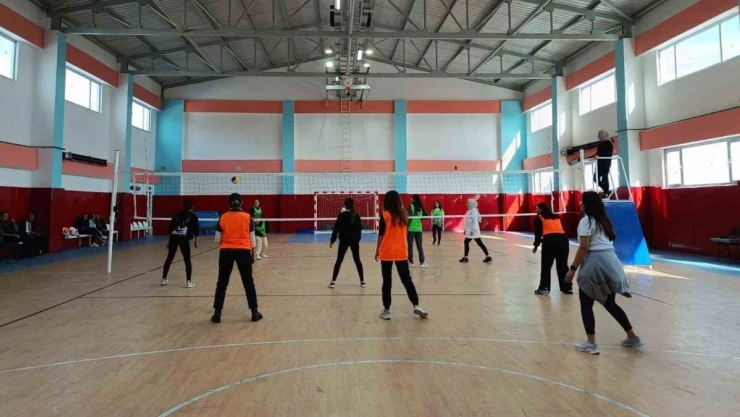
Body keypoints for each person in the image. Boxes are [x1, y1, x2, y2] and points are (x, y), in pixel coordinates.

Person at [565, 191, 643, 355]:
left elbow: (583, 248)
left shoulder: (586, 221)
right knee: (609, 303)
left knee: (586, 304)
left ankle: (591, 344)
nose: (580, 204)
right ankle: (632, 337)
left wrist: (572, 269)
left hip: (595, 262)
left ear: (587, 204)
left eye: (582, 201)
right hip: (612, 262)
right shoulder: (604, 220)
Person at [375, 191, 428, 320]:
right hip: (401, 252)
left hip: (387, 251)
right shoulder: (404, 215)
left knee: (387, 281)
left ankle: (386, 310)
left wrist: (377, 250)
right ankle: (416, 305)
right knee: (407, 280)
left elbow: (381, 234)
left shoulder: (384, 214)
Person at [211, 193, 263, 324]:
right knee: (248, 282)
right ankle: (255, 312)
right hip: (243, 251)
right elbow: (252, 241)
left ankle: (217, 314)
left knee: (222, 283)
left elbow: (217, 239)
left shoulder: (223, 217)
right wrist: (252, 254)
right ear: (242, 203)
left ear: (229, 203)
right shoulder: (247, 217)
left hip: (226, 252)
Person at [532, 203, 572, 295]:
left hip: (550, 241)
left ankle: (544, 288)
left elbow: (538, 235)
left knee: (546, 266)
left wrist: (536, 246)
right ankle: (566, 288)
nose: (535, 210)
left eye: (536, 208)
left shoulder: (539, 219)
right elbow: (557, 231)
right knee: (562, 265)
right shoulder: (556, 217)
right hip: (563, 240)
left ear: (541, 209)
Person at [161, 201, 200, 288]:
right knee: (187, 260)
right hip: (184, 239)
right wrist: (196, 241)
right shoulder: (193, 216)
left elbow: (170, 228)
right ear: (191, 208)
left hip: (173, 238)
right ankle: (189, 282)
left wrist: (169, 242)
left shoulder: (177, 214)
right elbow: (196, 229)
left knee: (169, 258)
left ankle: (164, 279)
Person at [328, 198, 365, 288]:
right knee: (357, 260)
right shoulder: (356, 215)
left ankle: (333, 282)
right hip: (354, 241)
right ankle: (362, 281)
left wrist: (332, 240)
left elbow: (336, 228)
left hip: (344, 240)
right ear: (353, 205)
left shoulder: (341, 215)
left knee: (339, 260)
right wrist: (357, 240)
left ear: (345, 205)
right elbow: (359, 229)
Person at [459, 199, 492, 263]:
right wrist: (465, 229)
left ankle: (466, 258)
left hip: (473, 231)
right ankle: (488, 257)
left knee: (467, 242)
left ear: (472, 203)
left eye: (468, 203)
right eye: (467, 202)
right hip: (470, 230)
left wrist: (473, 230)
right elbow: (467, 222)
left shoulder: (473, 211)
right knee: (478, 243)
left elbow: (475, 222)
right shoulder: (470, 210)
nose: (467, 204)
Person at [407, 194, 428, 267]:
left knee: (410, 246)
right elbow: (427, 215)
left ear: (414, 199)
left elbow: (408, 219)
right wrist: (419, 219)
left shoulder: (411, 206)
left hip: (411, 229)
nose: (410, 199)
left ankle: (411, 262)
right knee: (419, 246)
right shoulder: (421, 207)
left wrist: (406, 228)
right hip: (419, 228)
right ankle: (422, 262)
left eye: (411, 198)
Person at [594, 130, 615, 198]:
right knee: (595, 178)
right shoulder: (600, 144)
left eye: (599, 134)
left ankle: (606, 192)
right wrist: (594, 156)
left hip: (605, 163)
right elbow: (598, 153)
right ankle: (607, 191)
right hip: (599, 163)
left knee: (604, 177)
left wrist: (599, 156)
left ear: (603, 135)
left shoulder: (609, 143)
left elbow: (608, 154)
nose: (598, 136)